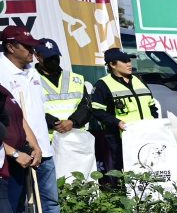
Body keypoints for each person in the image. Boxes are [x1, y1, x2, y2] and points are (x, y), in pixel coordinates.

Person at [0, 26, 65, 213]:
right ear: (10, 47)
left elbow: (33, 114)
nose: (32, 51)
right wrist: (18, 151)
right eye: (26, 47)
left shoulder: (32, 70)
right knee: (16, 207)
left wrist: (37, 145)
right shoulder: (1, 72)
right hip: (15, 154)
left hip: (41, 148)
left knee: (50, 201)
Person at [90, 47, 158, 180]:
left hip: (146, 135)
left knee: (148, 168)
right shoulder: (103, 85)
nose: (129, 64)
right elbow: (97, 111)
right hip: (119, 137)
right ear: (112, 64)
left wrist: (154, 121)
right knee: (122, 173)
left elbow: (151, 106)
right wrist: (117, 123)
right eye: (124, 61)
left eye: (129, 60)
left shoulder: (139, 80)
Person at [34, 38, 91, 144]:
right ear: (37, 56)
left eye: (55, 56)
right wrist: (55, 123)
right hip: (48, 141)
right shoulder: (30, 79)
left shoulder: (75, 78)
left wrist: (72, 121)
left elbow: (86, 106)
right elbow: (30, 110)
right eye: (49, 57)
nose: (53, 60)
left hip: (76, 138)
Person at [1, 84, 30, 213]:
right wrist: (15, 152)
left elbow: (20, 122)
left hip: (2, 175)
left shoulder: (4, 92)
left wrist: (32, 146)